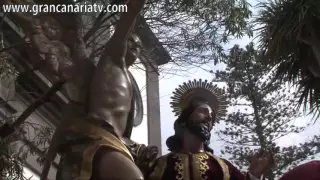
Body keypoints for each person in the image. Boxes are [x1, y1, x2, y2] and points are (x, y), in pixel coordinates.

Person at [30, 0, 152, 179]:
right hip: (97, 137)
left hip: (116, 144)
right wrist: (133, 9)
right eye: (131, 41)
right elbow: (126, 22)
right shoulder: (111, 59)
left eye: (139, 46)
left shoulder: (129, 83)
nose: (135, 47)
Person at [145, 79, 275, 180]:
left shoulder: (223, 167)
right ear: (185, 119)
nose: (209, 118)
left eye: (212, 117)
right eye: (203, 111)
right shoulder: (161, 165)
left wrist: (254, 174)